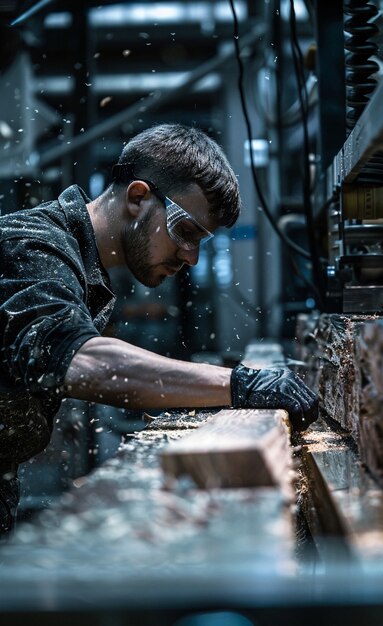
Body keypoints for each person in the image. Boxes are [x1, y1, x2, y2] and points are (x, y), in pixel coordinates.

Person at [0, 123, 318, 536]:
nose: (191, 257)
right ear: (138, 197)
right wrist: (240, 384)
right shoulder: (32, 244)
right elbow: (78, 360)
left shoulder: (81, 271)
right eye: (186, 232)